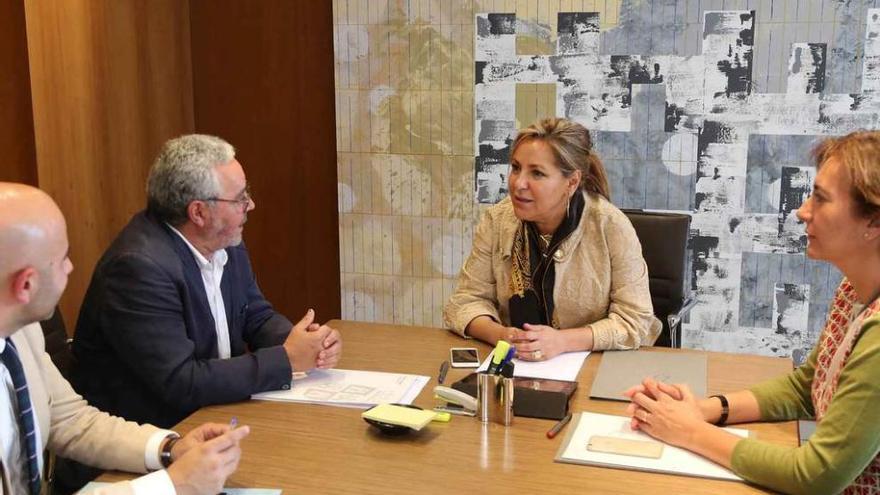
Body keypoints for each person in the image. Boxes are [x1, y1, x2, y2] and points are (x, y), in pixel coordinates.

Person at [625, 130, 880, 495]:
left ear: (873, 222)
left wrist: (692, 432)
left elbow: (817, 476)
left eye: (821, 199)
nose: (802, 211)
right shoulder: (853, 290)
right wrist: (706, 409)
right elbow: (805, 388)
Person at [71, 134, 342, 429]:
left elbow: (254, 315)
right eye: (239, 198)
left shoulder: (225, 239)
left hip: (217, 414)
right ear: (199, 212)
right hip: (157, 436)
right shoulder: (139, 269)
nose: (250, 205)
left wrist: (306, 343)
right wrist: (286, 360)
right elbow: (181, 381)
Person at [0, 182, 250, 495]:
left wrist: (170, 447)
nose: (71, 267)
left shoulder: (21, 331)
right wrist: (173, 486)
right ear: (26, 285)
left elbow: (72, 421)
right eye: (63, 258)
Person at [443, 117, 660, 359]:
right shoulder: (497, 221)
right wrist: (503, 335)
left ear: (572, 181)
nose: (518, 183)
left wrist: (562, 341)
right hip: (515, 363)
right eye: (516, 168)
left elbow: (635, 321)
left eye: (536, 173)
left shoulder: (611, 226)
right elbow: (464, 302)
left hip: (593, 365)